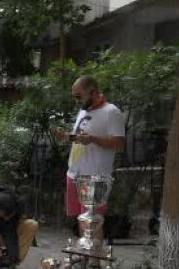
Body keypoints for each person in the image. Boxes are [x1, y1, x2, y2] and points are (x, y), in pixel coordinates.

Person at [53, 76, 126, 233]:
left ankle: (94, 251)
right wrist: (65, 136)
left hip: (94, 177)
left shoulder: (111, 112)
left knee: (93, 224)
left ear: (92, 91)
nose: (77, 101)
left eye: (79, 96)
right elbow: (80, 137)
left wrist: (93, 139)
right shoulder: (83, 110)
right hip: (74, 174)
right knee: (81, 221)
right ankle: (84, 249)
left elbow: (119, 145)